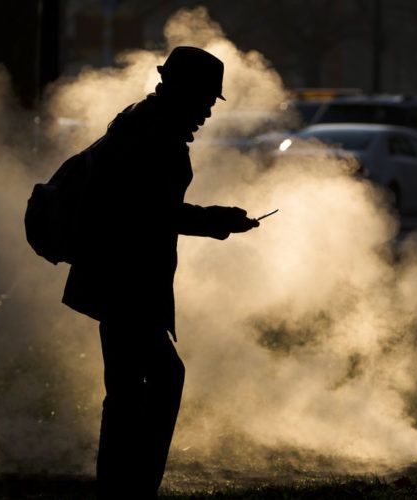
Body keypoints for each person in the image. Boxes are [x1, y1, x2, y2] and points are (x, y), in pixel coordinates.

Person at [61, 46, 259, 498]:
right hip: (126, 282)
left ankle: (120, 488)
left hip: (118, 279)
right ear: (184, 91)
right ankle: (134, 489)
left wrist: (212, 219)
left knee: (128, 392)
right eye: (207, 99)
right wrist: (215, 221)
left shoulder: (139, 122)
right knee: (160, 381)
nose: (209, 111)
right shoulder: (153, 136)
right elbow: (149, 215)